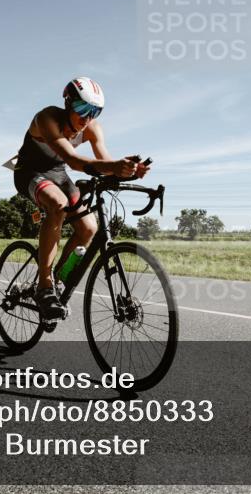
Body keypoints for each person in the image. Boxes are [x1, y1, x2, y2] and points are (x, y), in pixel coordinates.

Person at [12, 77, 150, 320]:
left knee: (89, 228)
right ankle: (44, 285)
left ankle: (57, 282)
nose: (87, 118)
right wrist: (113, 166)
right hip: (30, 172)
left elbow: (105, 161)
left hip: (57, 174)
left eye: (95, 112)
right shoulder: (47, 118)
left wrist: (128, 170)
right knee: (57, 205)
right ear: (67, 103)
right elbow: (75, 161)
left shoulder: (92, 128)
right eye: (82, 109)